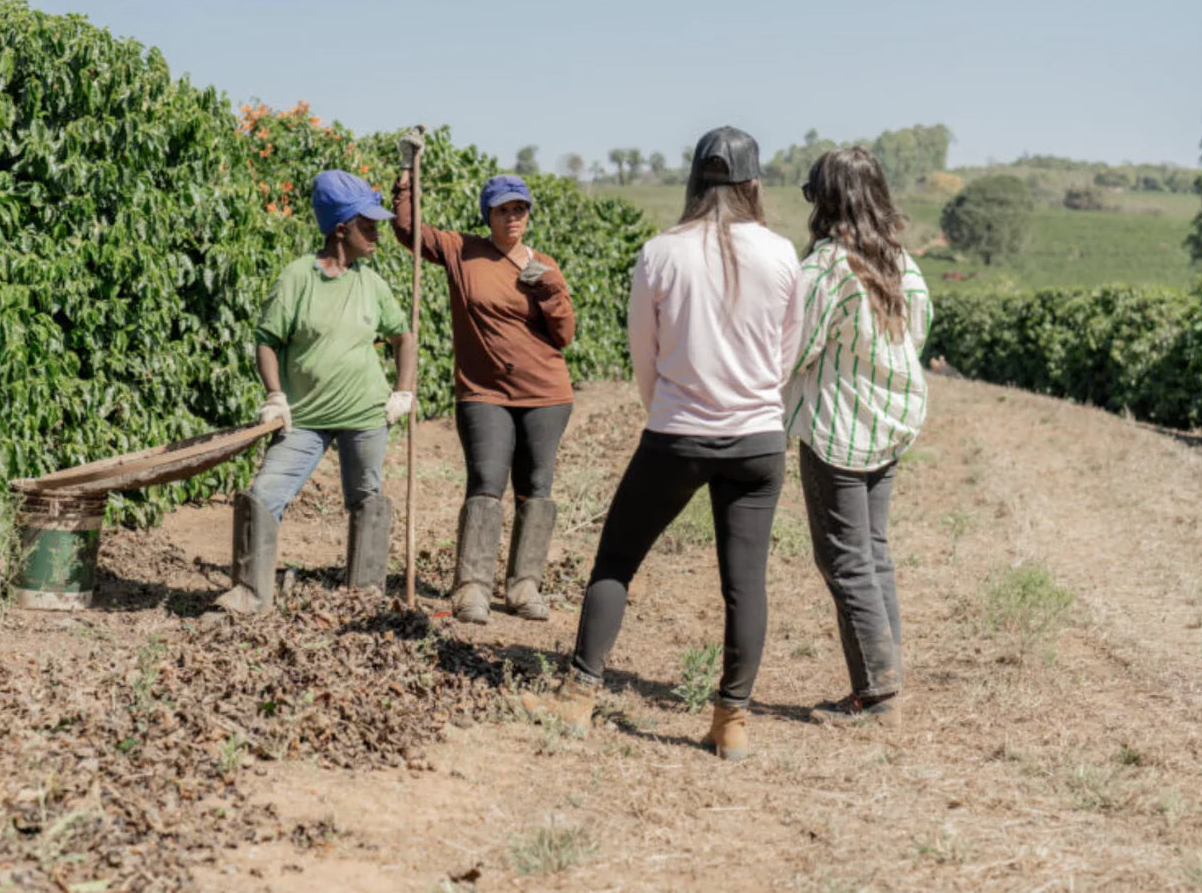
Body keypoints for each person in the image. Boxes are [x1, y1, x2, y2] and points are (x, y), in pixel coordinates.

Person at [522, 127, 802, 760]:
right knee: (745, 581)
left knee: (617, 559)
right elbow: (787, 352)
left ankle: (579, 698)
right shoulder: (782, 254)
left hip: (677, 431)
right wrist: (752, 404)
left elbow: (643, 355)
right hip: (759, 440)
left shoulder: (660, 252)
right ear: (754, 184)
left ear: (695, 182)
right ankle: (731, 720)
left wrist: (670, 411)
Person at [391, 129, 576, 624]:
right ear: (487, 215)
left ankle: (523, 586)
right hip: (484, 392)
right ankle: (471, 586)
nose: (513, 217)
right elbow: (407, 231)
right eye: (503, 210)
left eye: (520, 209)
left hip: (546, 394)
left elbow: (563, 336)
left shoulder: (544, 265)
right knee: (485, 482)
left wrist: (551, 289)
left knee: (535, 487)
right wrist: (407, 172)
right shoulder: (460, 251)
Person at [215, 170, 417, 614]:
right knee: (265, 493)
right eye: (369, 225)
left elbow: (404, 337)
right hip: (303, 418)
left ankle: (365, 594)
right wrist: (275, 396)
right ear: (341, 229)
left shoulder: (371, 282)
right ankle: (250, 591)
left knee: (367, 497)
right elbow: (267, 338)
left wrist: (403, 390)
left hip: (364, 414)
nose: (377, 233)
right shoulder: (297, 278)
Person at [783, 147, 932, 727]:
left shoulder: (824, 269)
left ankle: (876, 695)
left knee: (844, 560)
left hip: (838, 427)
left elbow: (794, 351)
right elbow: (915, 334)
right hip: (889, 422)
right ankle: (888, 675)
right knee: (874, 552)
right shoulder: (901, 262)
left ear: (824, 201)